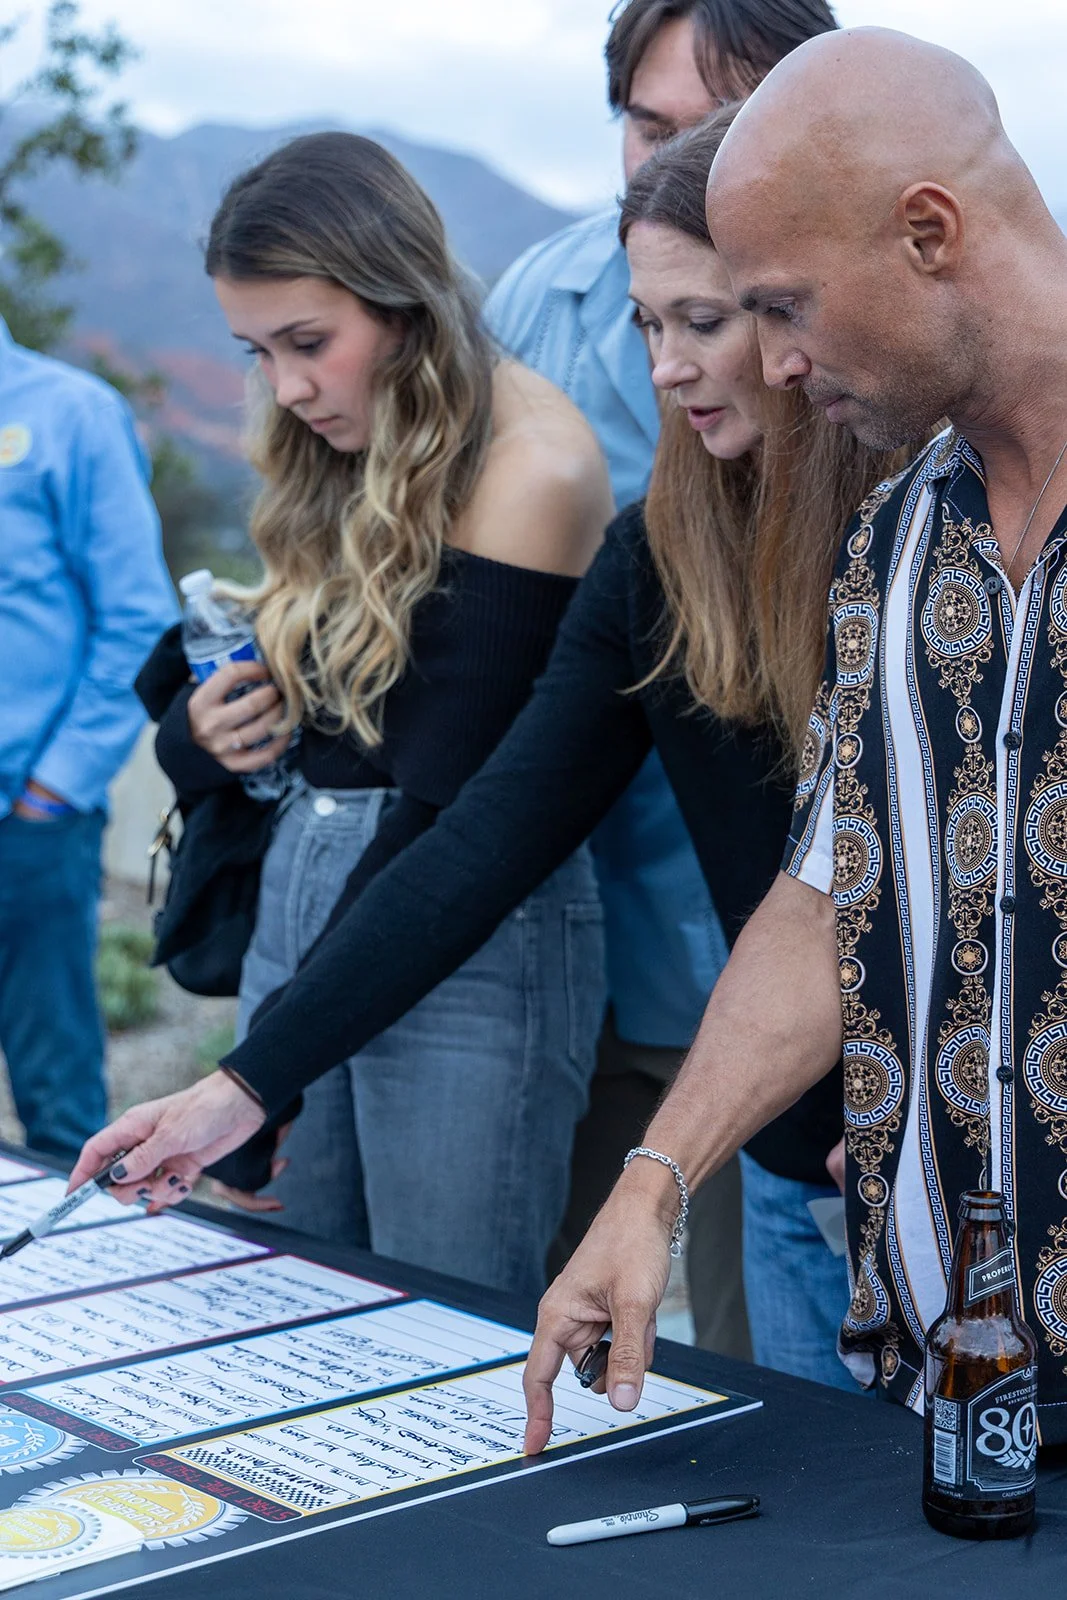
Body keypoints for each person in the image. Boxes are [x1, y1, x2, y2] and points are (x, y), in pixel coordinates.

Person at [70, 113, 906, 1390]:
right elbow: (489, 831)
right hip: (796, 1150)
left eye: (705, 320)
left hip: (937, 1153)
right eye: (645, 325)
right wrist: (239, 1085)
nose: (666, 367)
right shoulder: (654, 556)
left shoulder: (925, 536)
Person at [519, 25, 1067, 1451]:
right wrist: (653, 1180)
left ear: (927, 230)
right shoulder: (891, 533)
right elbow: (832, 883)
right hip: (939, 1372)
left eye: (781, 303)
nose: (767, 359)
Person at [132, 131, 614, 1297]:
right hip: (310, 886)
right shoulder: (340, 432)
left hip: (463, 926)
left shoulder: (531, 463)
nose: (288, 389)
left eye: (309, 343)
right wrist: (197, 738)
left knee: (444, 1319)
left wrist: (257, 1073)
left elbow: (437, 806)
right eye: (257, 353)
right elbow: (281, 714)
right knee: (289, 1298)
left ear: (403, 304)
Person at [487, 0, 838, 1361]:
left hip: (821, 1048)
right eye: (646, 127)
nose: (669, 365)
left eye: (724, 130)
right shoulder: (534, 313)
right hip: (619, 930)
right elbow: (520, 743)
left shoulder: (920, 469)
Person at [0, 321, 176, 1161]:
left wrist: (52, 790)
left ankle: (64, 1287)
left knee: (56, 1098)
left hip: (26, 818)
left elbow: (140, 619)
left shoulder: (70, 414)